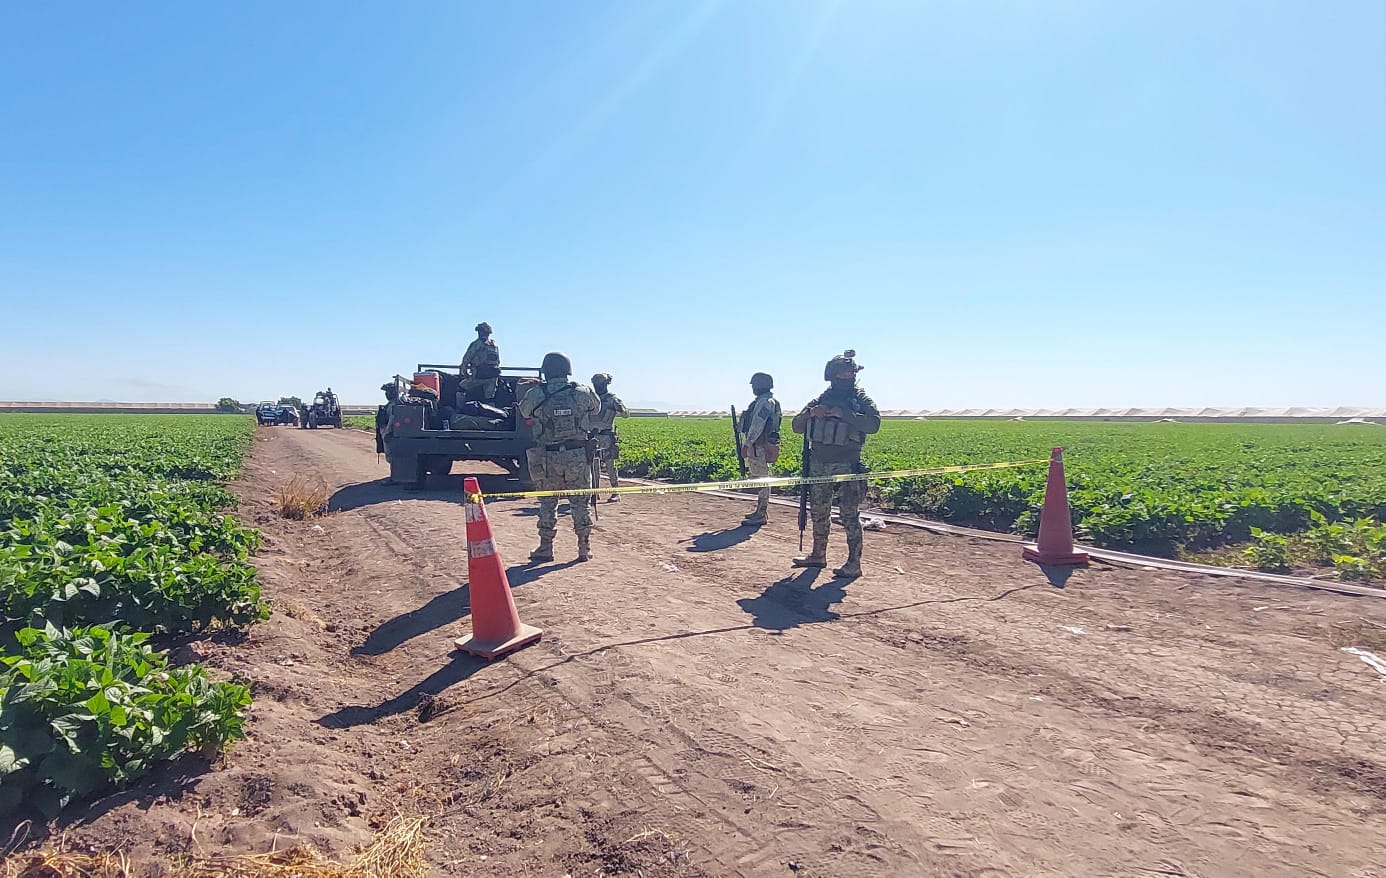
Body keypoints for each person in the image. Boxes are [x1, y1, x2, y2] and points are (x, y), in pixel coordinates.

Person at [790, 350, 881, 578]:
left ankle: (853, 564)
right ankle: (818, 555)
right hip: (819, 464)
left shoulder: (861, 399)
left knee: (849, 514)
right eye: (843, 372)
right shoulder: (821, 399)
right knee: (819, 511)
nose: (848, 376)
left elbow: (873, 425)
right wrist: (812, 413)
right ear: (832, 375)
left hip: (848, 464)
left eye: (851, 372)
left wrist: (846, 415)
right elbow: (796, 426)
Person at [518, 352, 601, 562]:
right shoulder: (582, 392)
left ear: (546, 371)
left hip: (548, 456)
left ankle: (545, 548)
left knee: (547, 502)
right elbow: (596, 407)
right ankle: (584, 547)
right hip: (577, 455)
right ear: (568, 370)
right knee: (580, 502)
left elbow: (525, 412)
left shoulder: (536, 393)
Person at [740, 372, 782, 526]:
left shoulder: (765, 402)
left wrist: (747, 443)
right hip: (760, 445)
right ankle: (760, 511)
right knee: (760, 478)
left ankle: (761, 512)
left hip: (760, 446)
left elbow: (757, 425)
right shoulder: (765, 401)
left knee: (762, 478)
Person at [591, 373, 629, 502]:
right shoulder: (591, 398)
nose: (598, 387)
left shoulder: (612, 399)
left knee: (610, 465)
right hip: (593, 436)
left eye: (600, 385)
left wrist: (619, 408)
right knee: (593, 466)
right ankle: (594, 492)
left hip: (606, 436)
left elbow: (625, 414)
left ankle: (615, 492)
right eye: (596, 385)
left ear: (606, 384)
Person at [460, 322, 502, 402]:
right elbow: (498, 361)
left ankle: (459, 409)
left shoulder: (477, 344)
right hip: (493, 376)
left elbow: (466, 360)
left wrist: (465, 374)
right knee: (490, 398)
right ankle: (491, 411)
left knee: (461, 388)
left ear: (480, 332)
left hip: (479, 376)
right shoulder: (494, 345)